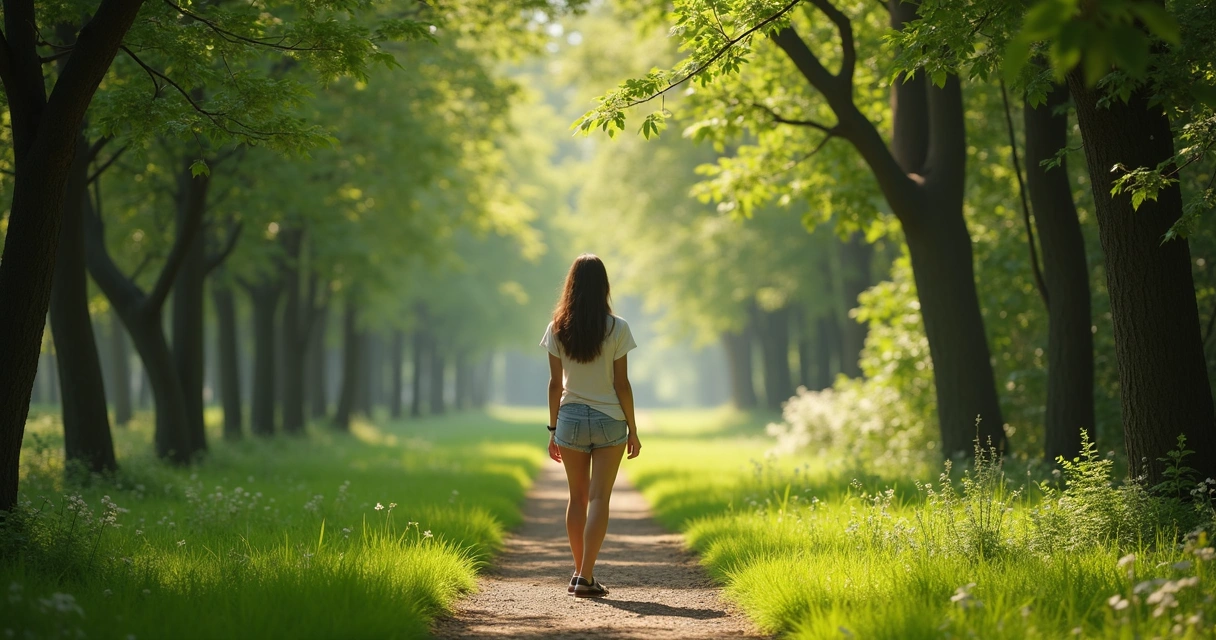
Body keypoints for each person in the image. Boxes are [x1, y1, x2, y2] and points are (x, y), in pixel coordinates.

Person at [540, 254, 641, 599]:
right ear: (604, 287)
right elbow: (622, 383)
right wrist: (634, 429)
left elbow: (555, 384)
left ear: (570, 286)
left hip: (569, 419)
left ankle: (581, 572)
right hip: (609, 420)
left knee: (577, 497)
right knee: (599, 497)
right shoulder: (618, 327)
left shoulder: (557, 327)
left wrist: (553, 430)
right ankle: (585, 576)